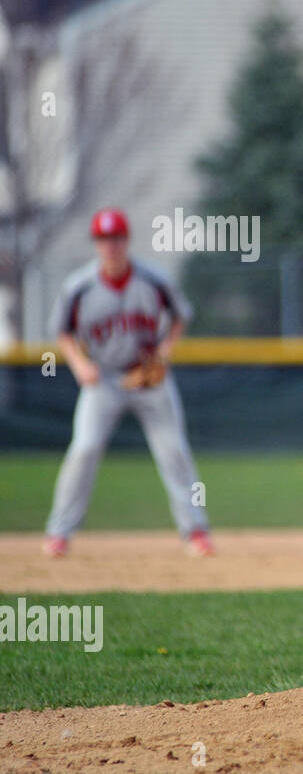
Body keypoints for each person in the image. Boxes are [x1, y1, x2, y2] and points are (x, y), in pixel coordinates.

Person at [42, 207, 213, 558]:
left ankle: (195, 530)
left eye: (116, 238)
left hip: (149, 377)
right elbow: (62, 331)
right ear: (96, 243)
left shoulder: (153, 279)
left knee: (174, 451)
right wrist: (78, 364)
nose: (110, 246)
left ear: (126, 240)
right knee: (85, 448)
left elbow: (180, 316)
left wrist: (165, 351)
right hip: (103, 380)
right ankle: (59, 532)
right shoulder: (79, 286)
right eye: (104, 239)